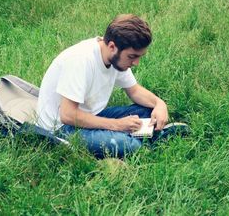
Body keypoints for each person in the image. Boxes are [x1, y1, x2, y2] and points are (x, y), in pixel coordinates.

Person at [36, 14, 183, 158]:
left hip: (93, 116)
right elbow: (67, 115)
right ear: (112, 46)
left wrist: (159, 103)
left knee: (150, 110)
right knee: (130, 146)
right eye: (132, 56)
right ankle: (147, 139)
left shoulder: (114, 58)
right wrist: (117, 125)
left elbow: (135, 91)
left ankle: (145, 135)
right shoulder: (80, 60)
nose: (136, 63)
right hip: (62, 128)